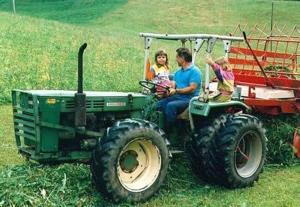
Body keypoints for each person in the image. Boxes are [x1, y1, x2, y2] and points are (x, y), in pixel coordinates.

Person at [157, 47, 202, 131]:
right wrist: (168, 90)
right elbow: (173, 84)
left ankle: (170, 132)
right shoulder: (178, 72)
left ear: (182, 58)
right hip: (177, 97)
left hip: (189, 99)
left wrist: (176, 91)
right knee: (159, 105)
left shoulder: (195, 71)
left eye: (177, 57)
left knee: (171, 106)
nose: (176, 59)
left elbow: (192, 88)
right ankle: (158, 129)